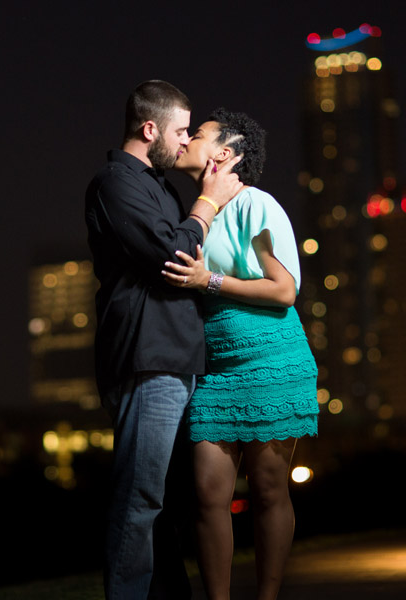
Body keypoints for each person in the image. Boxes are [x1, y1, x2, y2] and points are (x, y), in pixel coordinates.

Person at [85, 82, 243, 599]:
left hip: (179, 360)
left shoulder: (160, 187)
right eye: (180, 131)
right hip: (147, 360)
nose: (184, 143)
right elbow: (173, 255)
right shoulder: (115, 182)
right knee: (140, 498)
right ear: (149, 129)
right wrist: (207, 204)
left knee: (169, 505)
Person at [162, 108, 319, 600]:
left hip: (273, 360)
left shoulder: (258, 205)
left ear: (225, 153)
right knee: (210, 497)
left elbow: (284, 290)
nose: (185, 138)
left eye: (199, 134)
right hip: (218, 369)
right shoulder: (198, 210)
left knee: (270, 492)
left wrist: (208, 280)